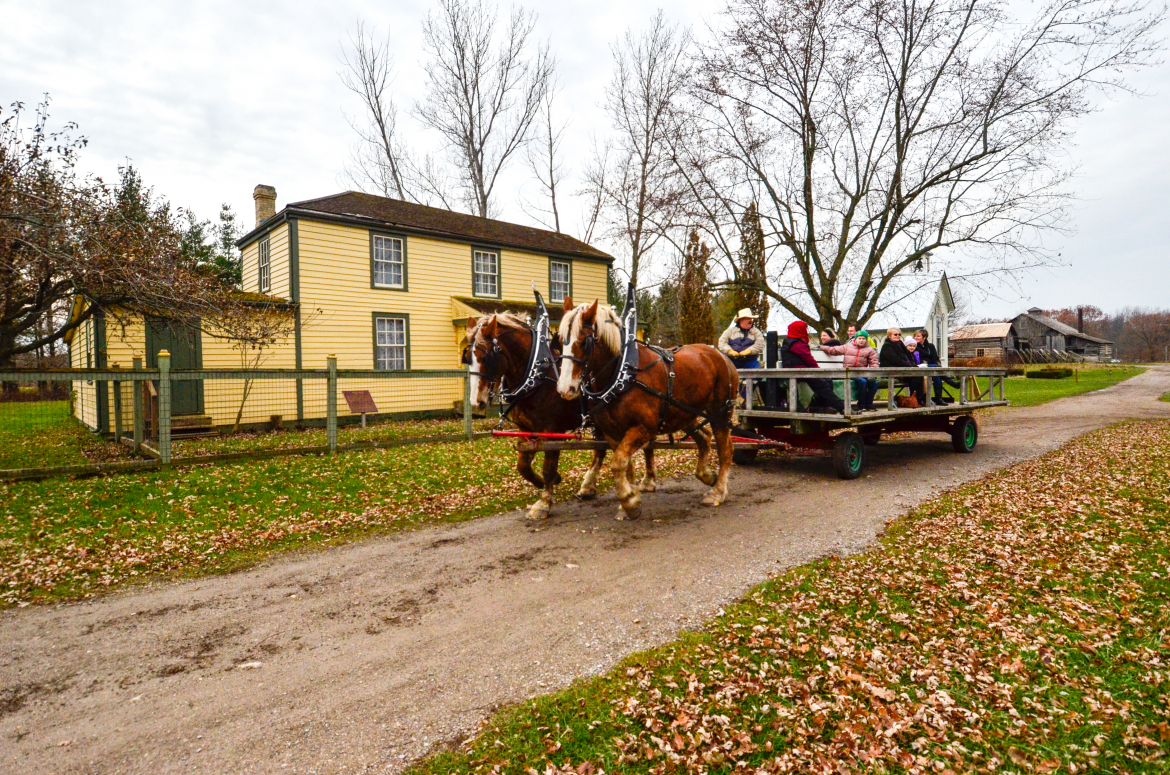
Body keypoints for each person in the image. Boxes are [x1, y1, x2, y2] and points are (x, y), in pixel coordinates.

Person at [781, 321, 845, 413]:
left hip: (799, 371)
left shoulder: (790, 342)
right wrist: (818, 371)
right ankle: (841, 407)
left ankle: (823, 406)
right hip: (798, 372)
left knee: (825, 381)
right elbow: (808, 359)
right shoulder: (797, 343)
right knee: (822, 383)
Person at [822, 330, 879, 410]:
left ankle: (869, 405)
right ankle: (861, 405)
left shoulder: (870, 350)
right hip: (849, 372)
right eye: (859, 338)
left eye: (863, 338)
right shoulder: (848, 347)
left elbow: (874, 363)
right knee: (863, 382)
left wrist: (873, 375)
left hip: (862, 372)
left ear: (866, 340)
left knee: (874, 383)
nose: (861, 340)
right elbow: (834, 350)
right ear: (856, 339)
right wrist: (821, 347)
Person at [879, 328, 925, 405]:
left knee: (919, 376)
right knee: (916, 377)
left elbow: (908, 356)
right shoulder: (887, 346)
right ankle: (915, 399)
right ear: (889, 336)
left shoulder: (900, 344)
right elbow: (895, 360)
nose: (898, 336)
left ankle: (918, 399)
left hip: (901, 370)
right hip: (890, 371)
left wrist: (914, 366)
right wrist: (910, 366)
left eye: (899, 334)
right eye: (895, 334)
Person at [914, 329, 958, 404]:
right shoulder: (914, 346)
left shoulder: (930, 346)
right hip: (921, 368)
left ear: (924, 337)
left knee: (937, 378)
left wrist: (935, 364)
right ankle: (951, 382)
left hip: (932, 368)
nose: (915, 337)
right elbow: (918, 359)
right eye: (914, 336)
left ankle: (939, 399)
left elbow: (935, 358)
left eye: (918, 336)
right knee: (935, 368)